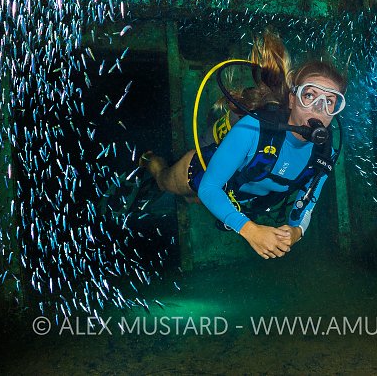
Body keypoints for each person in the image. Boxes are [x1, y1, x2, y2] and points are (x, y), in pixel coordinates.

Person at [142, 30, 347, 260]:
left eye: (330, 101)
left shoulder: (324, 152)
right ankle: (149, 160)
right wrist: (249, 230)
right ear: (292, 99)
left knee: (194, 200)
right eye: (309, 95)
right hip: (202, 170)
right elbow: (209, 187)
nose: (320, 108)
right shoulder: (254, 127)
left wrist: (297, 231)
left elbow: (308, 201)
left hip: (237, 196)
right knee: (165, 182)